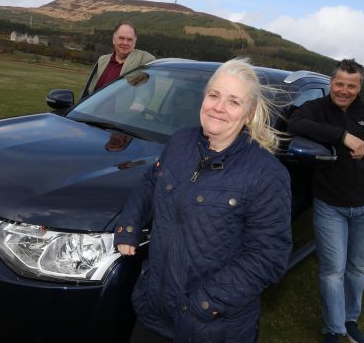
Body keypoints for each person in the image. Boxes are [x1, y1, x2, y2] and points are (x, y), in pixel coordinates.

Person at [114, 58, 293, 342]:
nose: (219, 107)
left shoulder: (267, 175)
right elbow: (151, 182)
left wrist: (203, 303)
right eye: (214, 95)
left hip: (211, 325)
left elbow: (268, 257)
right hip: (154, 312)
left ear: (249, 113)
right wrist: (129, 223)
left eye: (234, 102)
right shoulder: (180, 142)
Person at [287, 59, 364, 343]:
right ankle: (334, 329)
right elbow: (295, 122)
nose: (344, 91)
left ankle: (350, 319)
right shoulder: (317, 109)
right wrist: (343, 136)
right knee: (332, 270)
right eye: (339, 84)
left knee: (358, 269)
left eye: (351, 85)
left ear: (359, 87)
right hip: (329, 205)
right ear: (330, 83)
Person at [86, 21, 155, 96]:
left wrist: (138, 103)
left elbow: (145, 90)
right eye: (121, 38)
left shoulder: (144, 59)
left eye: (129, 39)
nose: (125, 43)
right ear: (114, 39)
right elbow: (90, 89)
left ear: (135, 42)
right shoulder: (102, 60)